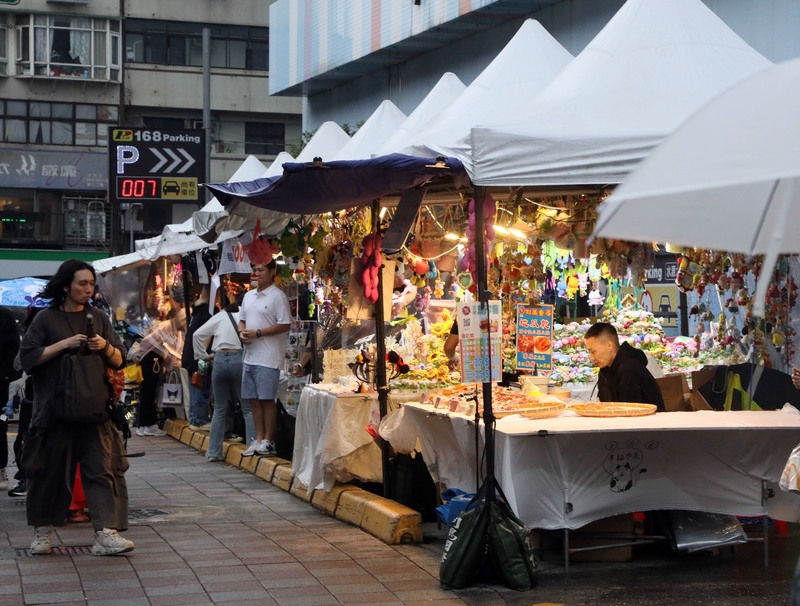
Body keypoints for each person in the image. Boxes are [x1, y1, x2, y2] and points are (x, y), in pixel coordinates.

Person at [19, 259, 134, 556]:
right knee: (47, 473)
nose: (88, 289)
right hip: (53, 412)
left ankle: (105, 534)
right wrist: (64, 344)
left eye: (91, 284)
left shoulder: (99, 317)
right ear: (66, 285)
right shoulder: (46, 319)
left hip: (94, 410)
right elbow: (26, 359)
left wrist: (104, 348)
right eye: (82, 283)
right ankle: (42, 533)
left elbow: (120, 359)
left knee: (100, 471)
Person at [238, 260, 291, 457]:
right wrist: (243, 333)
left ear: (271, 271)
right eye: (254, 270)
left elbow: (285, 324)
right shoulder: (248, 296)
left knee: (267, 399)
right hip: (249, 357)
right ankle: (258, 438)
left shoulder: (278, 296)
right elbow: (242, 320)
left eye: (260, 269)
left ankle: (269, 440)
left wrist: (258, 333)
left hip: (268, 357)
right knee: (253, 399)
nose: (257, 273)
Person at [193, 299, 253, 462]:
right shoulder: (246, 314)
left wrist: (202, 356)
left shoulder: (219, 316)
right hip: (238, 359)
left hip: (219, 359)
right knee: (247, 408)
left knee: (219, 408)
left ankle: (213, 452)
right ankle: (252, 450)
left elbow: (197, 335)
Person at [583, 322, 665, 411]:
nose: (591, 357)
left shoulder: (629, 369)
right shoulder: (606, 368)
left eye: (593, 351)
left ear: (609, 345)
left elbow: (628, 413)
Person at [182, 287, 213, 430]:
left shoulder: (196, 311)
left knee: (195, 386)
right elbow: (207, 335)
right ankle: (198, 419)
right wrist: (204, 355)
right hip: (200, 355)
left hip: (190, 355)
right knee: (201, 387)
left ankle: (195, 417)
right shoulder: (210, 312)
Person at [0, 306, 21, 491]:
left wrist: (8, 378)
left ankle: (0, 468)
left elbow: (13, 348)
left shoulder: (4, 315)